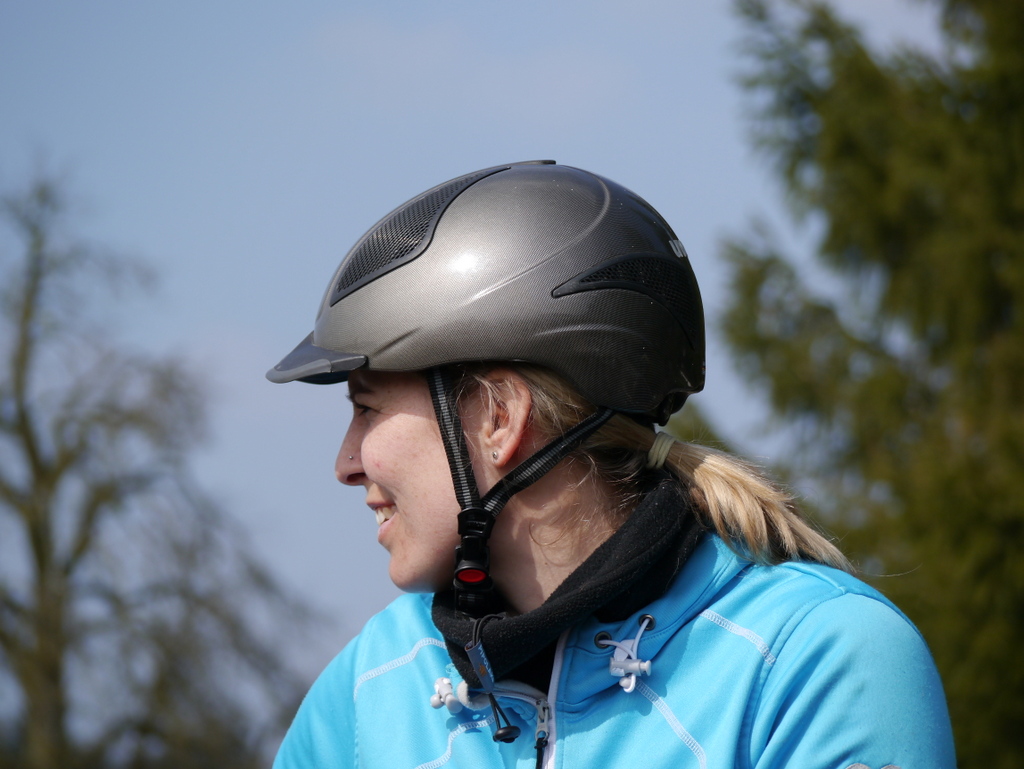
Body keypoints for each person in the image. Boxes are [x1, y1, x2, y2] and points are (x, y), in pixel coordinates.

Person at [267, 161, 956, 768]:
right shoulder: (374, 680)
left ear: (499, 416)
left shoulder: (814, 657)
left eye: (367, 408)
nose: (346, 464)